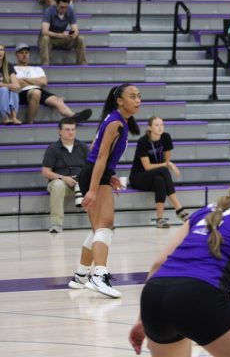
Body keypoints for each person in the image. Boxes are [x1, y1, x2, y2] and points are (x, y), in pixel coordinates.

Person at [128, 153, 230, 357]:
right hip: (199, 295)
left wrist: (142, 319)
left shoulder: (206, 211)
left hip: (154, 297)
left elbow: (158, 264)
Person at [67, 83, 141, 298]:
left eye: (139, 96)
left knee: (97, 229)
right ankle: (99, 276)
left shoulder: (116, 119)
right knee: (105, 226)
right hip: (94, 176)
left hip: (97, 174)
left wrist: (110, 175)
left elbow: (96, 149)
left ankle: (81, 276)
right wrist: (92, 189)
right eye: (132, 96)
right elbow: (99, 156)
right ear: (120, 100)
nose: (137, 100)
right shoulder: (116, 122)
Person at [129, 116, 189, 229]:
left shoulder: (165, 137)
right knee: (164, 169)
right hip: (139, 177)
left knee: (160, 180)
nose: (160, 127)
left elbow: (165, 161)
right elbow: (147, 167)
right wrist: (169, 164)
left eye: (162, 125)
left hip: (156, 176)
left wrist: (167, 164)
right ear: (150, 128)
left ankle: (159, 219)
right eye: (156, 125)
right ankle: (178, 208)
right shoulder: (143, 141)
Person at [14, 43, 91, 124]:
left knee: (57, 99)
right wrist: (35, 81)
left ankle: (73, 116)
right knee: (36, 92)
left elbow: (43, 82)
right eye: (21, 53)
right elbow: (18, 83)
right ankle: (30, 123)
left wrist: (24, 79)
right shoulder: (13, 68)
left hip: (38, 90)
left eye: (26, 53)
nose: (24, 55)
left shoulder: (37, 69)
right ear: (16, 55)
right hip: (22, 93)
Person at [41, 117, 88, 233]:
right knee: (57, 185)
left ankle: (101, 222)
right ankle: (56, 224)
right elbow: (45, 172)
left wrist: (82, 179)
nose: (71, 132)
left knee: (100, 182)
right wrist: (63, 178)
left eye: (73, 129)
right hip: (62, 183)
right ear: (59, 131)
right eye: (67, 129)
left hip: (80, 183)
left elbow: (91, 167)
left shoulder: (83, 147)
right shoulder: (52, 149)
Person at [39, 0, 87, 66]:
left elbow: (75, 29)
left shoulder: (70, 11)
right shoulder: (49, 11)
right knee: (45, 38)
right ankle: (46, 66)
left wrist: (73, 34)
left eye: (66, 7)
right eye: (62, 7)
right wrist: (59, 35)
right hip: (51, 39)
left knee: (80, 39)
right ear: (56, 4)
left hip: (63, 38)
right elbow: (44, 31)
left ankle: (82, 65)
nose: (64, 9)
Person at [0, 44, 21, 125]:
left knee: (13, 90)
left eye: (1, 50)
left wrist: (3, 84)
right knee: (4, 89)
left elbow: (17, 86)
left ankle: (14, 117)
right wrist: (7, 85)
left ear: (4, 52)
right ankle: (5, 117)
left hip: (4, 92)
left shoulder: (8, 66)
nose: (0, 52)